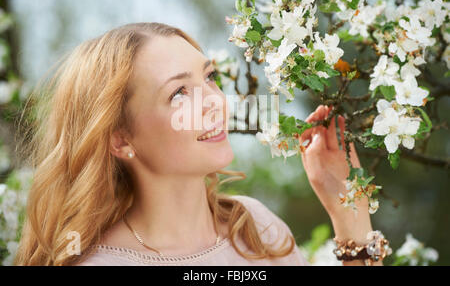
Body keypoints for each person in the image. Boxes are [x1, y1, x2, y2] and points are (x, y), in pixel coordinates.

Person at [13, 22, 381, 266]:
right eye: (178, 93)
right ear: (120, 139)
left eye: (210, 77)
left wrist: (349, 210)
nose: (215, 101)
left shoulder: (255, 228)